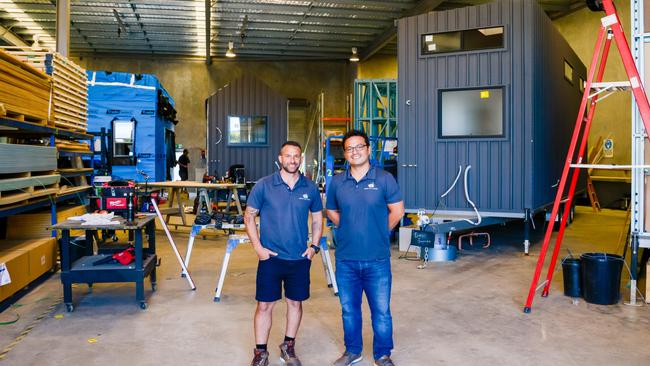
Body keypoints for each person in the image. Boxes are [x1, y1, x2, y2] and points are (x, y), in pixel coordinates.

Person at [326, 130, 405, 366]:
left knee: (381, 312)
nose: (355, 152)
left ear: (368, 149)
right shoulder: (338, 181)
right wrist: (349, 225)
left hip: (377, 260)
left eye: (359, 147)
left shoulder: (384, 179)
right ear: (345, 154)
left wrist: (380, 230)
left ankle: (382, 354)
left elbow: (398, 211)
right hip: (346, 260)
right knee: (349, 311)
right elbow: (331, 210)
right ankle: (353, 351)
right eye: (349, 149)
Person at [244, 141, 324, 366]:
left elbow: (318, 218)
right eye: (288, 156)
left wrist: (314, 247)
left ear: (301, 159)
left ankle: (288, 346)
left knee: (295, 303)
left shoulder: (309, 187)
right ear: (280, 158)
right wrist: (259, 249)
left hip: (299, 258)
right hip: (271, 258)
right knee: (264, 305)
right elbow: (249, 216)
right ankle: (261, 352)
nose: (292, 160)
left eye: (296, 156)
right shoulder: (264, 185)